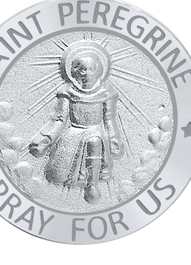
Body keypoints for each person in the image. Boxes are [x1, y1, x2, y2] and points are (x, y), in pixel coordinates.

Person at [30, 49, 124, 203]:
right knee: (57, 175)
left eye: (91, 69)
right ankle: (76, 178)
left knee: (94, 140)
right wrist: (45, 140)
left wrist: (114, 140)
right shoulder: (67, 92)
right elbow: (59, 119)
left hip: (95, 131)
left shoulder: (105, 92)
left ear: (98, 70)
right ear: (75, 72)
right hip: (73, 133)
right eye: (82, 69)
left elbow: (109, 119)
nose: (86, 73)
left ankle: (92, 184)